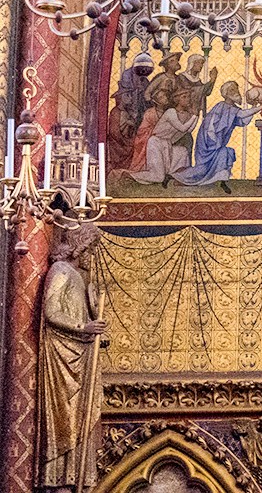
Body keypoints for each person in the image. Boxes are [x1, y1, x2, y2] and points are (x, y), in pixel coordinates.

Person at [38, 225, 105, 492]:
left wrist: (93, 331)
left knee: (79, 419)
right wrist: (83, 329)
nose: (90, 255)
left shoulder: (78, 276)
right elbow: (51, 312)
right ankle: (58, 477)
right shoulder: (61, 271)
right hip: (62, 355)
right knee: (64, 415)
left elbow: (78, 315)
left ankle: (73, 476)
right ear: (80, 246)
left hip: (80, 351)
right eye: (89, 249)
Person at [174, 81, 262, 190]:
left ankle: (222, 183)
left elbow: (243, 121)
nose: (236, 92)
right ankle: (175, 177)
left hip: (217, 145)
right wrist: (260, 107)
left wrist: (254, 106)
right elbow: (209, 127)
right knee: (202, 169)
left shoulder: (233, 109)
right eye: (232, 90)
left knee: (225, 153)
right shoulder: (221, 107)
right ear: (226, 93)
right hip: (208, 145)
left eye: (236, 89)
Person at [107, 52, 153, 171]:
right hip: (120, 142)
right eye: (127, 95)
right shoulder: (127, 75)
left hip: (137, 113)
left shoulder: (145, 81)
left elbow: (147, 96)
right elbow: (114, 133)